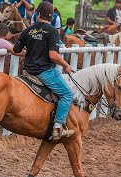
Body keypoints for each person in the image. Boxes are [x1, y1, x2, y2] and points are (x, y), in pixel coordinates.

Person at [13, 1, 74, 140]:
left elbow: (16, 50)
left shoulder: (27, 30)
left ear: (37, 14)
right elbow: (53, 55)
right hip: (44, 72)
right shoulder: (52, 31)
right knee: (67, 94)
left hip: (27, 71)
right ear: (52, 18)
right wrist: (66, 65)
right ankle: (57, 128)